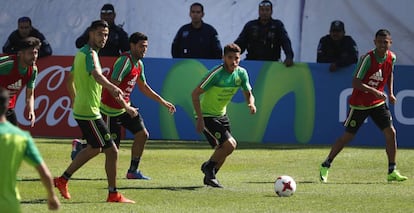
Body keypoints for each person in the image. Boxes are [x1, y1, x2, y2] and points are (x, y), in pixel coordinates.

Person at [53, 20, 134, 203]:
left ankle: (62, 179)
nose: (103, 38)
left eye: (106, 35)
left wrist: (75, 100)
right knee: (112, 151)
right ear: (91, 33)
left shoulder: (81, 53)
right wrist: (113, 88)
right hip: (89, 111)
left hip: (85, 108)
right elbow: (97, 75)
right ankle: (113, 194)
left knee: (95, 148)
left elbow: (69, 81)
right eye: (100, 34)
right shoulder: (90, 54)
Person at [319, 29, 408, 183]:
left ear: (390, 43)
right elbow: (355, 82)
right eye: (379, 42)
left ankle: (392, 170)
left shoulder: (391, 57)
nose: (382, 45)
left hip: (377, 103)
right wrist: (374, 91)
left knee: (391, 133)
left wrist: (391, 93)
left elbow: (389, 74)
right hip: (360, 104)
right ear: (374, 42)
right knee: (348, 136)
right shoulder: (367, 59)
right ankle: (326, 164)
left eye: (385, 42)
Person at [99, 32, 176, 180]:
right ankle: (82, 147)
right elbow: (112, 87)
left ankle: (132, 171)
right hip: (110, 109)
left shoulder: (139, 64)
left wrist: (163, 102)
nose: (144, 50)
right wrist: (127, 108)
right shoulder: (125, 61)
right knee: (108, 148)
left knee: (142, 134)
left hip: (125, 106)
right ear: (132, 46)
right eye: (141, 46)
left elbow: (144, 87)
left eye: (146, 47)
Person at [192, 43, 257, 188]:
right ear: (223, 58)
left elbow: (249, 94)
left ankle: (210, 175)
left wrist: (251, 104)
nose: (233, 61)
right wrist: (200, 119)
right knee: (229, 144)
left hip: (221, 115)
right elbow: (195, 94)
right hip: (207, 115)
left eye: (236, 58)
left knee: (226, 148)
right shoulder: (216, 74)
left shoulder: (241, 73)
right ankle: (209, 168)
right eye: (230, 57)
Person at [0, 87, 60, 212]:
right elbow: (44, 173)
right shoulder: (21, 137)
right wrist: (52, 195)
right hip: (9, 205)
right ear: (7, 107)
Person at [234, 0, 294, 66]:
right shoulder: (250, 26)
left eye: (267, 10)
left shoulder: (277, 26)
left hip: (272, 64)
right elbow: (240, 43)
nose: (264, 12)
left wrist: (289, 56)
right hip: (252, 62)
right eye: (262, 10)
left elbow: (285, 41)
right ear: (259, 11)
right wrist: (231, 54)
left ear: (271, 11)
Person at [0, 37, 40, 127]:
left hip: (7, 108)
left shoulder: (33, 70)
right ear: (20, 54)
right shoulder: (8, 64)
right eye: (30, 53)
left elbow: (30, 94)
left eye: (36, 53)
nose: (34, 57)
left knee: (14, 137)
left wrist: (31, 110)